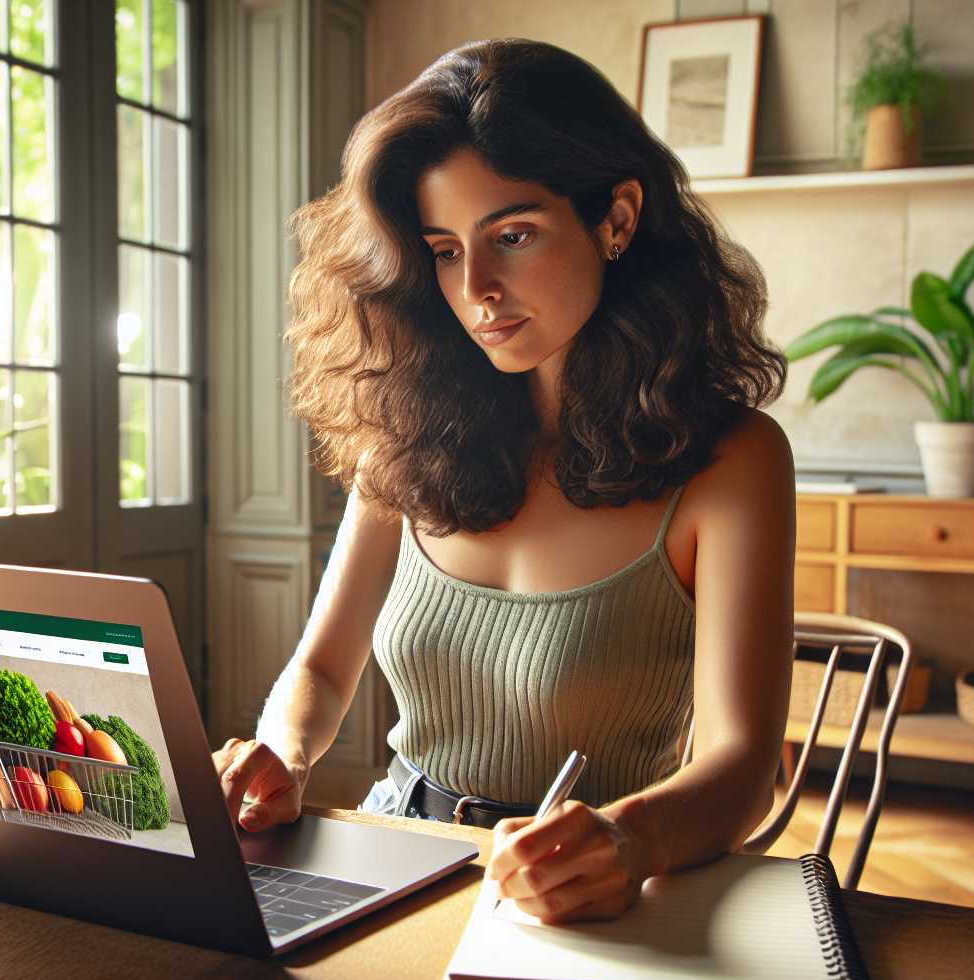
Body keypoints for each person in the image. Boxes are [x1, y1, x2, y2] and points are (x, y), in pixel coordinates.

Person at [212, 38, 795, 925]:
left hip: (599, 888)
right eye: (444, 250)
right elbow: (323, 672)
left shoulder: (734, 460)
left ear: (617, 219)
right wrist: (282, 755)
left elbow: (744, 761)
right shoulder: (402, 438)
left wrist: (629, 841)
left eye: (512, 236)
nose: (476, 288)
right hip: (393, 858)